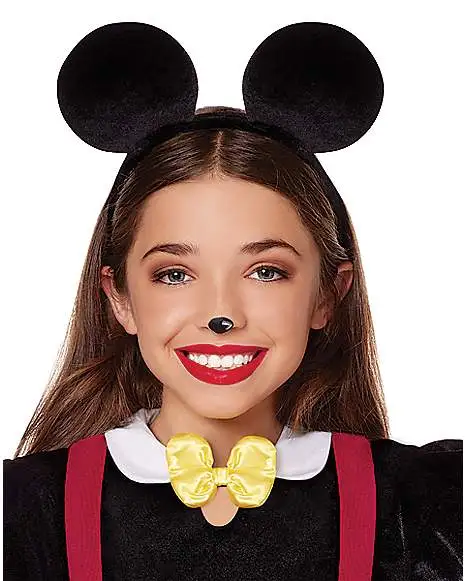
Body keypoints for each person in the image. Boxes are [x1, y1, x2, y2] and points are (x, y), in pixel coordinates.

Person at [3, 20, 462, 581]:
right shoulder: (22, 513)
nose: (221, 314)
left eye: (266, 271)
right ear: (119, 298)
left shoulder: (425, 508)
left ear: (328, 294)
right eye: (175, 274)